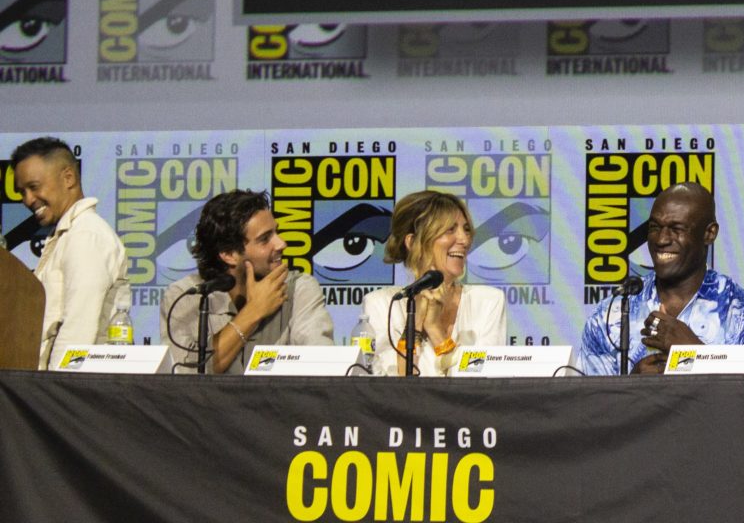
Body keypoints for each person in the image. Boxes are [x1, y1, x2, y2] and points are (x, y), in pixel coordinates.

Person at [581, 182, 744, 375]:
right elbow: (589, 402)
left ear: (709, 233)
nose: (661, 240)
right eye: (655, 227)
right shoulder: (609, 316)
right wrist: (633, 384)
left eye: (676, 229)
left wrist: (695, 355)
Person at [160, 190, 333, 374]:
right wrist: (253, 312)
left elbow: (321, 369)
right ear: (228, 254)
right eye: (265, 239)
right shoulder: (186, 295)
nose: (281, 243)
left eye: (277, 232)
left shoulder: (299, 289)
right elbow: (184, 376)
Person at [12, 137, 130, 370]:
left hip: (69, 393)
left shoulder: (86, 235)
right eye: (22, 192)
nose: (28, 200)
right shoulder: (67, 236)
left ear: (68, 178)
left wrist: (53, 392)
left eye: (34, 187)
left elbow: (78, 329)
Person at [362, 190, 507, 376]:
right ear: (413, 242)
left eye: (466, 229)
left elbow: (480, 378)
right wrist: (414, 324)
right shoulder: (381, 304)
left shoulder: (487, 302)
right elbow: (392, 382)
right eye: (450, 230)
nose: (464, 240)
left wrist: (434, 328)